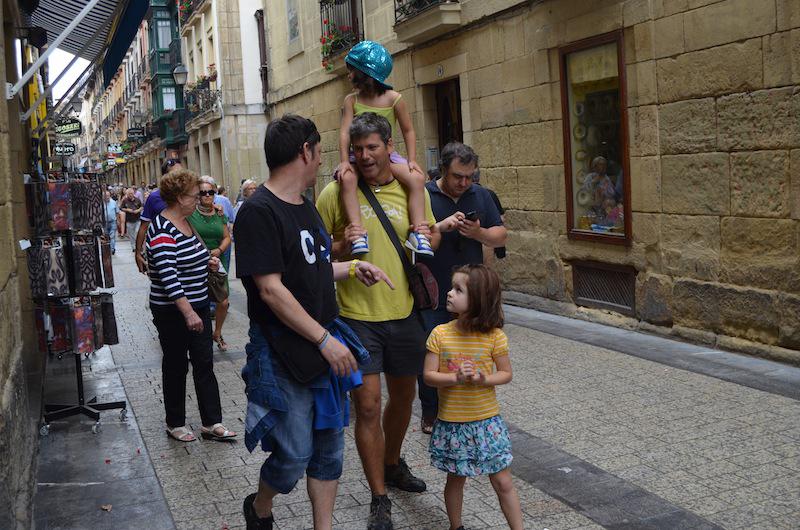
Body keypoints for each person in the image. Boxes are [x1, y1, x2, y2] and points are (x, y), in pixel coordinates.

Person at [234, 114, 393, 530]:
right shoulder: (257, 212)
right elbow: (271, 290)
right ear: (305, 150)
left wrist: (352, 268)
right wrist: (324, 340)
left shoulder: (306, 207)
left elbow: (313, 267)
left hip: (323, 346)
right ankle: (260, 506)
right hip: (282, 350)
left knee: (328, 449)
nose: (322, 158)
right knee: (293, 455)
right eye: (319, 150)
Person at [317, 112, 440, 530]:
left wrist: (427, 234)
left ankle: (392, 462)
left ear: (390, 146)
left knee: (404, 398)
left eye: (373, 147)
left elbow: (433, 235)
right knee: (367, 406)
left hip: (404, 312)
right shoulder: (335, 192)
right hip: (357, 319)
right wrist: (343, 245)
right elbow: (315, 252)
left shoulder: (409, 187)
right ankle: (379, 496)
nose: (365, 156)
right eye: (358, 149)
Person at [423, 264, 523, 530]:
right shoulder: (440, 334)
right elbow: (429, 376)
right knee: (456, 480)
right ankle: (456, 527)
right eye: (451, 287)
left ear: (478, 299)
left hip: (487, 423)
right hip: (453, 424)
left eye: (458, 290)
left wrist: (483, 379)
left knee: (503, 481)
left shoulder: (494, 337)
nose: (449, 293)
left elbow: (506, 373)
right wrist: (455, 378)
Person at [417, 143, 507, 435]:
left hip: (470, 295)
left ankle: (470, 408)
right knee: (432, 352)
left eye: (469, 176)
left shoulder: (480, 195)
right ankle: (431, 412)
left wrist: (478, 233)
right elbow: (412, 236)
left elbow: (500, 235)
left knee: (472, 350)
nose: (464, 182)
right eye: (458, 176)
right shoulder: (424, 195)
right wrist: (440, 226)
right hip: (432, 291)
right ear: (443, 169)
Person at [145, 168, 236, 443]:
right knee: (176, 365)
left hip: (198, 304)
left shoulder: (187, 222)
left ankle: (212, 422)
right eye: (194, 195)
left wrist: (208, 262)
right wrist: (187, 313)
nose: (199, 199)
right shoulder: (162, 229)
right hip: (173, 311)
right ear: (178, 197)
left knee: (204, 362)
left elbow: (192, 255)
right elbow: (168, 277)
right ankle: (175, 422)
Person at [336, 40, 432, 257]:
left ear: (365, 73)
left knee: (416, 179)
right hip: (357, 156)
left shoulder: (394, 99)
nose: (349, 76)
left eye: (352, 70)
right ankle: (358, 233)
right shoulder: (351, 100)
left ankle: (419, 233)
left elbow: (408, 130)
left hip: (388, 157)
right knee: (348, 179)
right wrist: (344, 161)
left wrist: (412, 160)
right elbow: (344, 133)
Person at [189, 176, 232, 351]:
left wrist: (220, 250)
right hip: (197, 261)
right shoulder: (190, 214)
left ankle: (217, 332)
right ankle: (201, 336)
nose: (207, 195)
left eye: (210, 192)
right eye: (203, 192)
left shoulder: (220, 214)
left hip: (217, 260)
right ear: (197, 195)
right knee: (201, 301)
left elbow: (227, 237)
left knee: (223, 301)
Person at [136, 158, 182, 274]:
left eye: (181, 173)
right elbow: (143, 227)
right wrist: (138, 253)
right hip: (162, 249)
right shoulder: (154, 197)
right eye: (174, 174)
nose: (179, 177)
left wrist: (215, 207)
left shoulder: (187, 195)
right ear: (165, 176)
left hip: (183, 247)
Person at [471, 168, 507, 261]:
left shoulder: (484, 194)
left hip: (485, 241)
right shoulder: (489, 193)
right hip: (486, 241)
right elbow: (502, 218)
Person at [120, 187, 143, 252]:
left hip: (137, 219)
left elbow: (142, 207)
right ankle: (134, 247)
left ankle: (138, 245)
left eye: (131, 193)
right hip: (129, 220)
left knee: (137, 232)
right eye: (129, 194)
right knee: (131, 235)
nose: (130, 195)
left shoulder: (137, 200)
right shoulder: (125, 200)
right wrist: (127, 210)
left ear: (133, 193)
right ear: (127, 194)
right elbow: (121, 208)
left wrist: (138, 210)